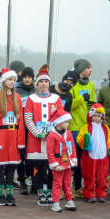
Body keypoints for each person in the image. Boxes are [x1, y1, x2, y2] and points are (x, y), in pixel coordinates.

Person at [24, 64, 64, 206]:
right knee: (38, 167)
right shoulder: (31, 99)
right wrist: (38, 133)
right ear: (37, 83)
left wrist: (52, 133)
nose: (43, 84)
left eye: (46, 81)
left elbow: (60, 118)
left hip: (53, 138)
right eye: (41, 81)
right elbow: (28, 118)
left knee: (53, 166)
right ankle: (41, 192)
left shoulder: (56, 99)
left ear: (49, 83)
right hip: (36, 139)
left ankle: (51, 192)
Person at [0, 69, 25, 206]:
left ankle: (10, 193)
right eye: (10, 79)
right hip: (1, 136)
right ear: (3, 81)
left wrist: (20, 140)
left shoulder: (17, 98)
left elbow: (20, 121)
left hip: (13, 136)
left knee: (11, 166)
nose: (12, 82)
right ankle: (1, 193)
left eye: (14, 80)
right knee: (0, 166)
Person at [69, 59, 96, 198]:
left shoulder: (91, 85)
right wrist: (81, 99)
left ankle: (79, 187)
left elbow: (92, 104)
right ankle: (69, 186)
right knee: (74, 158)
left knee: (84, 159)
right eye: (88, 68)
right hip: (74, 127)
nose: (91, 70)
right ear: (81, 70)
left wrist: (94, 105)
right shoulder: (73, 85)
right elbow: (69, 104)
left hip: (87, 127)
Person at [77, 103, 110, 203]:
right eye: (94, 116)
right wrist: (85, 140)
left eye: (98, 116)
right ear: (90, 116)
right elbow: (80, 138)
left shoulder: (105, 128)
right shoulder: (86, 127)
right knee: (89, 175)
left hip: (103, 156)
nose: (96, 118)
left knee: (102, 176)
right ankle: (89, 193)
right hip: (90, 156)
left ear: (102, 116)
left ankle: (101, 193)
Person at [46, 109, 77, 212]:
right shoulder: (52, 135)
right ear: (59, 122)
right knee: (57, 183)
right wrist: (54, 165)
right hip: (58, 163)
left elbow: (72, 147)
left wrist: (73, 159)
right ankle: (55, 202)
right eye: (66, 122)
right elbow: (50, 152)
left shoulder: (68, 134)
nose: (68, 124)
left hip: (67, 162)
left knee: (67, 182)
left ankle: (69, 200)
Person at [15, 66, 36, 194]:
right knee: (21, 155)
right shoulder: (16, 90)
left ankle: (33, 180)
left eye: (29, 77)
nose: (27, 80)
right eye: (25, 77)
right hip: (20, 128)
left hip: (33, 128)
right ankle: (22, 181)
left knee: (32, 156)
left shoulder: (36, 90)